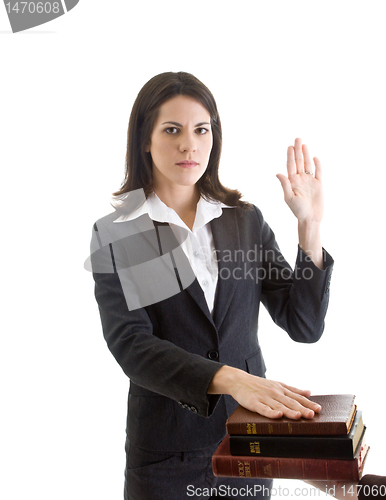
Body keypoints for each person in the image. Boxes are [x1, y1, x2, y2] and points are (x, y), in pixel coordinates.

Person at [89, 71, 334, 500]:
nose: (189, 144)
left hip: (248, 444)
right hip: (165, 458)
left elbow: (304, 325)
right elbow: (132, 345)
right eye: (172, 130)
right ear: (144, 140)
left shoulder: (244, 221)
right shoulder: (119, 234)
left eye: (201, 129)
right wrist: (231, 379)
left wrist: (309, 227)